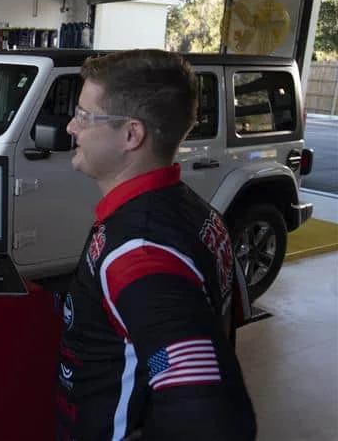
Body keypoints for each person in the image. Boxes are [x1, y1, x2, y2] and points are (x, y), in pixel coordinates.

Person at [56, 49, 256, 441]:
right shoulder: (197, 211)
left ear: (131, 134)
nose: (70, 128)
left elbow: (212, 418)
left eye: (83, 116)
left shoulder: (139, 253)